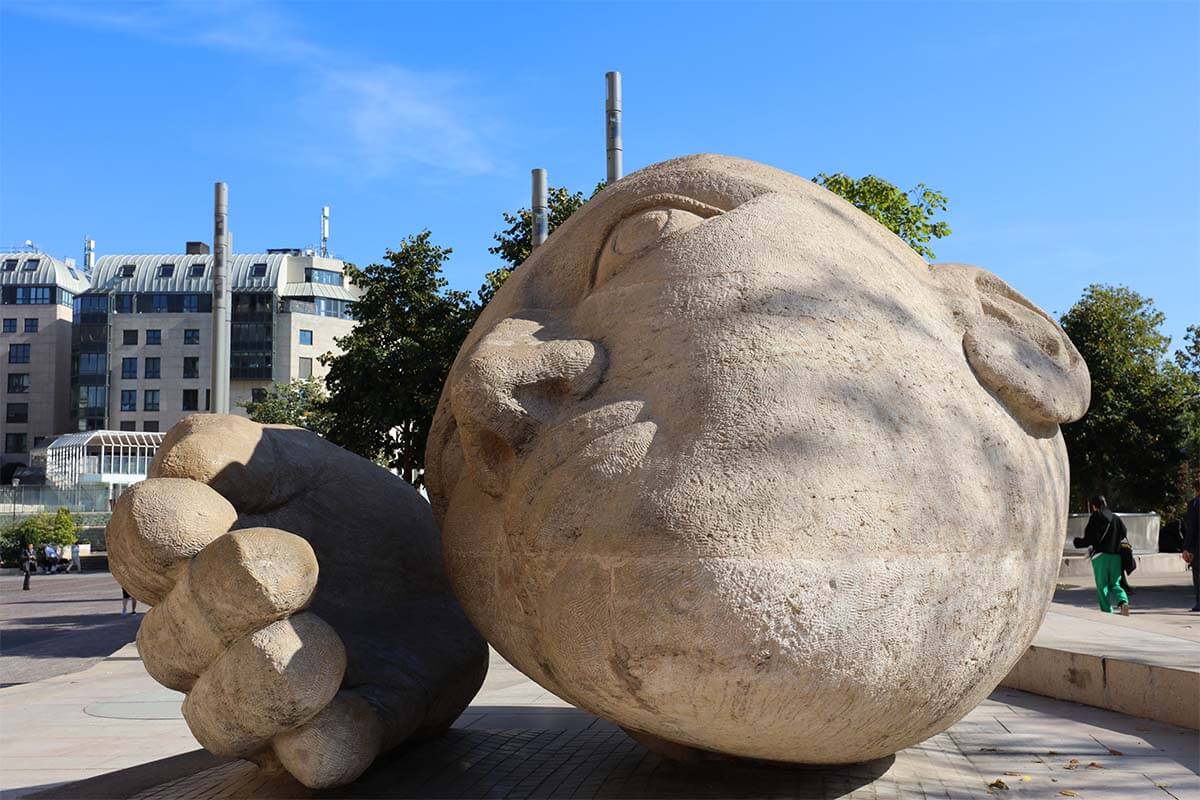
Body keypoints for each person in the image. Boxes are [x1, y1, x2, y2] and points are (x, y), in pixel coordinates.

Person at [1073, 495, 1130, 615]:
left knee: (1102, 586)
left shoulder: (1095, 517)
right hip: (1116, 556)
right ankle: (1123, 601)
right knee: (1115, 583)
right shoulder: (1115, 518)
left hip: (1100, 557)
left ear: (1094, 506)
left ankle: (1107, 611)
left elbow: (1089, 538)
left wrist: (1077, 542)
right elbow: (1124, 532)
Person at [1182, 476, 1200, 612]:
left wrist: (1186, 548)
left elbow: (1191, 527)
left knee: (1198, 574)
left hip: (1197, 547)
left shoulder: (1195, 504)